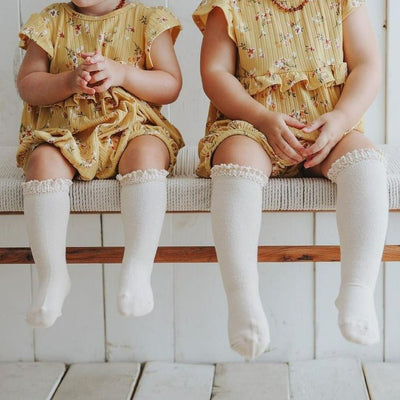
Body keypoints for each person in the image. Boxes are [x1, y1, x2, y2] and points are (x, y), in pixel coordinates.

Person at [193, 0, 388, 359]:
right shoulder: (228, 5)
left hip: (327, 124)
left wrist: (342, 118)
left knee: (367, 166)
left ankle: (358, 288)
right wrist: (262, 118)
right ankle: (243, 298)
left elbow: (367, 64)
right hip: (251, 124)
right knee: (236, 167)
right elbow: (215, 73)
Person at [17, 0, 184, 328]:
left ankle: (137, 267)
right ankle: (52, 275)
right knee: (42, 163)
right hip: (65, 132)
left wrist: (123, 73)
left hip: (132, 128)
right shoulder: (50, 21)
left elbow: (170, 86)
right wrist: (67, 82)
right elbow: (28, 86)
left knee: (148, 153)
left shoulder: (148, 20)